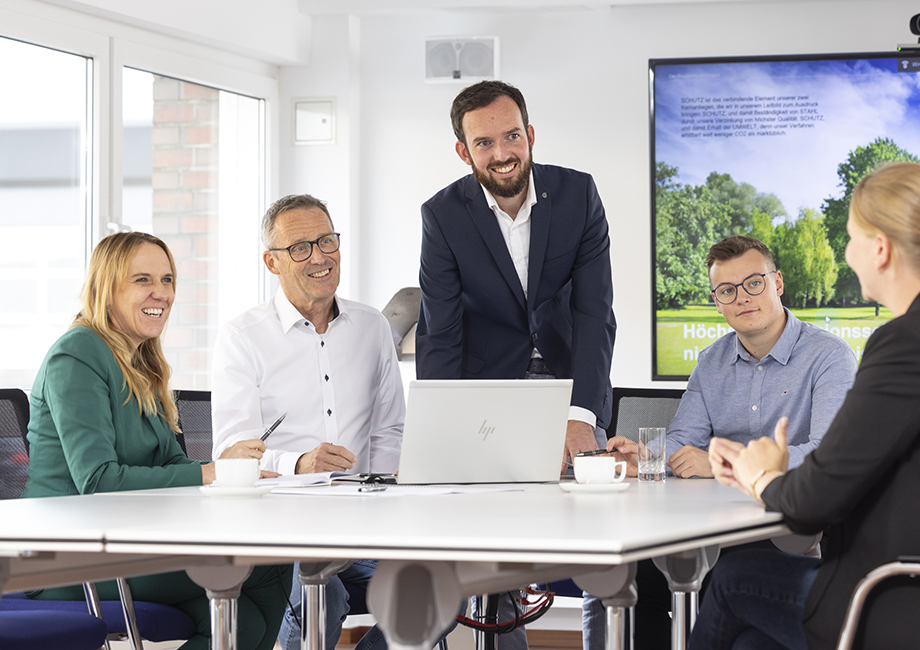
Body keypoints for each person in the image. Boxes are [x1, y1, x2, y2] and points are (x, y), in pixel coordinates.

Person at [696, 162, 920, 650]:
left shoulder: (911, 344)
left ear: (880, 248)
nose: (847, 254)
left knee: (732, 578)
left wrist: (760, 475)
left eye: (851, 238)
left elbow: (810, 505)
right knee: (752, 644)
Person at [416, 80, 617, 649]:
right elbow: (440, 332)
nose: (502, 153)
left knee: (598, 538)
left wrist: (581, 416)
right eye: (484, 143)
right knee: (492, 550)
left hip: (569, 380)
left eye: (511, 136)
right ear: (464, 151)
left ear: (529, 134)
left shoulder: (578, 194)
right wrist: (443, 431)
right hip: (490, 391)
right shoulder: (442, 215)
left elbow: (594, 313)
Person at [22, 231, 288, 650]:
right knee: (268, 566)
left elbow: (169, 463)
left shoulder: (141, 362)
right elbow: (98, 480)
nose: (161, 293)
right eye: (142, 279)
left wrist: (229, 470)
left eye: (167, 280)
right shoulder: (76, 355)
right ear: (107, 288)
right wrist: (209, 474)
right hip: (65, 558)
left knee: (244, 623)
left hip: (122, 543)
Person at [588, 236, 857, 650]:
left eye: (754, 283)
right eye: (727, 290)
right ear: (716, 302)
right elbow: (685, 440)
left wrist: (724, 465)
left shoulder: (829, 357)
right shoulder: (710, 361)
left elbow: (827, 456)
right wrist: (648, 457)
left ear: (777, 283)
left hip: (788, 527)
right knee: (627, 577)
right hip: (714, 525)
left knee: (722, 584)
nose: (742, 297)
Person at [211, 194, 406, 650]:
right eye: (300, 248)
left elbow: (390, 430)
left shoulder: (373, 327)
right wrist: (297, 463)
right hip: (283, 532)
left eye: (326, 241)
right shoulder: (242, 337)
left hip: (364, 525)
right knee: (323, 593)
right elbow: (232, 452)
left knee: (439, 587)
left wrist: (388, 501)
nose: (319, 257)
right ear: (272, 262)